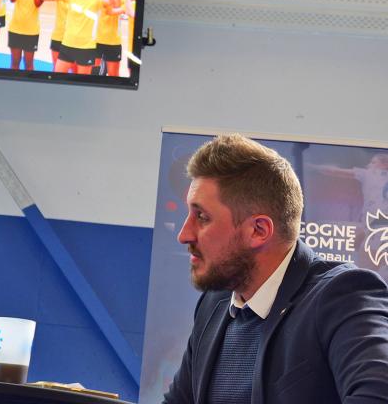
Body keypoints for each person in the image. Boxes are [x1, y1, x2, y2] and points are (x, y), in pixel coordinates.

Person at [163, 134, 388, 404]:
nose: (184, 234)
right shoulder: (214, 304)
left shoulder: (343, 296)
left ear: (258, 230)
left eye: (202, 217)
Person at [7, 0, 45, 71]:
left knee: (29, 64)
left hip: (31, 32)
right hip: (15, 29)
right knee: (14, 63)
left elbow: (37, 3)